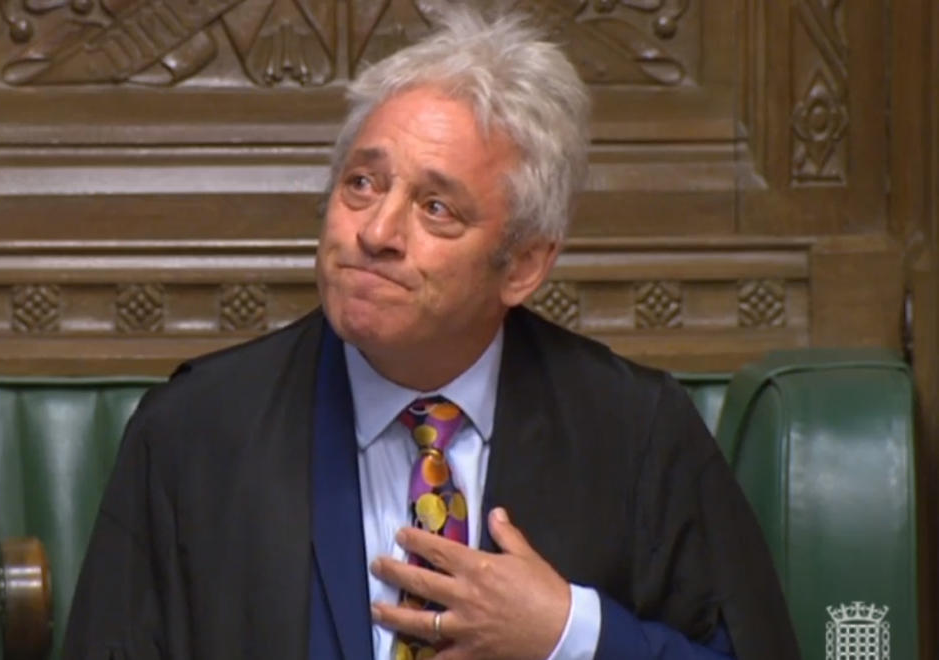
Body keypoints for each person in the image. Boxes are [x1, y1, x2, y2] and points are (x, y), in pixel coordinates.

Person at [64, 7, 800, 660]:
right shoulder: (193, 432)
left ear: (524, 265)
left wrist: (570, 636)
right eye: (362, 184)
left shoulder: (636, 433)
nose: (376, 232)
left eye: (436, 208)